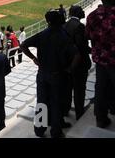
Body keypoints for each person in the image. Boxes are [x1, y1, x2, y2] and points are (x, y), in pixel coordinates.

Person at [20, 10, 78, 138]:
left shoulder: (42, 34)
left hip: (42, 74)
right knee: (56, 102)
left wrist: (34, 59)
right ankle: (56, 131)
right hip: (57, 75)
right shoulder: (64, 36)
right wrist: (69, 69)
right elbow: (77, 55)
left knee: (41, 102)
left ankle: (39, 130)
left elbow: (23, 45)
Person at [85, 0, 115, 129]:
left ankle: (100, 118)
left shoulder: (92, 16)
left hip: (100, 60)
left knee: (100, 88)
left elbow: (87, 36)